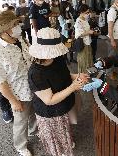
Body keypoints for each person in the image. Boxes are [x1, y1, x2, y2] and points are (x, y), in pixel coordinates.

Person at [28, 27, 88, 156]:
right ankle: (61, 151)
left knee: (65, 128)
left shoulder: (57, 58)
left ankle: (67, 143)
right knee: (56, 136)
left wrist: (76, 76)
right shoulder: (36, 73)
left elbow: (65, 74)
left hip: (64, 102)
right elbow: (49, 100)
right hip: (50, 112)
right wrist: (73, 87)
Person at [0, 11, 37, 156]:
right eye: (14, 24)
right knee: (21, 122)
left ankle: (34, 131)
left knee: (34, 113)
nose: (18, 26)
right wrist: (13, 101)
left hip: (35, 87)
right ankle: (21, 146)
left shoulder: (20, 40)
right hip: (19, 93)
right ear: (4, 29)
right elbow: (0, 82)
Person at [75, 4, 95, 73]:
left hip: (88, 41)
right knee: (83, 59)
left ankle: (88, 73)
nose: (88, 14)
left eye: (88, 12)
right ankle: (83, 74)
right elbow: (78, 34)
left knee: (88, 58)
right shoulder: (78, 21)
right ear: (81, 12)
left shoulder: (85, 19)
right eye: (86, 13)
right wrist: (89, 32)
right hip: (83, 43)